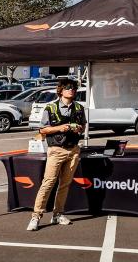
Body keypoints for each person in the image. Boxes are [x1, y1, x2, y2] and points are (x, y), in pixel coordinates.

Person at [27, 79, 87, 231]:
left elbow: (83, 127)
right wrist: (61, 128)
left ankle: (58, 214)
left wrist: (78, 129)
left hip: (73, 149)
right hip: (56, 149)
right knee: (48, 183)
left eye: (73, 88)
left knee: (65, 184)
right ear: (61, 91)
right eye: (68, 88)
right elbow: (43, 130)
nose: (71, 90)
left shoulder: (79, 107)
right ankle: (36, 216)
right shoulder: (51, 107)